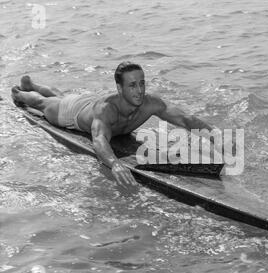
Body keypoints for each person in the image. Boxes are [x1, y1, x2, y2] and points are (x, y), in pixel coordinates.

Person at [11, 62, 225, 186]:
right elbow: (100, 139)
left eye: (142, 83)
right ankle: (21, 93)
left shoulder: (150, 103)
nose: (139, 90)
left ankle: (34, 84)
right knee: (45, 103)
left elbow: (185, 119)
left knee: (61, 96)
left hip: (88, 100)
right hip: (74, 112)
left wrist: (213, 133)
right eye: (132, 85)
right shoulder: (107, 110)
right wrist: (114, 163)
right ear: (119, 88)